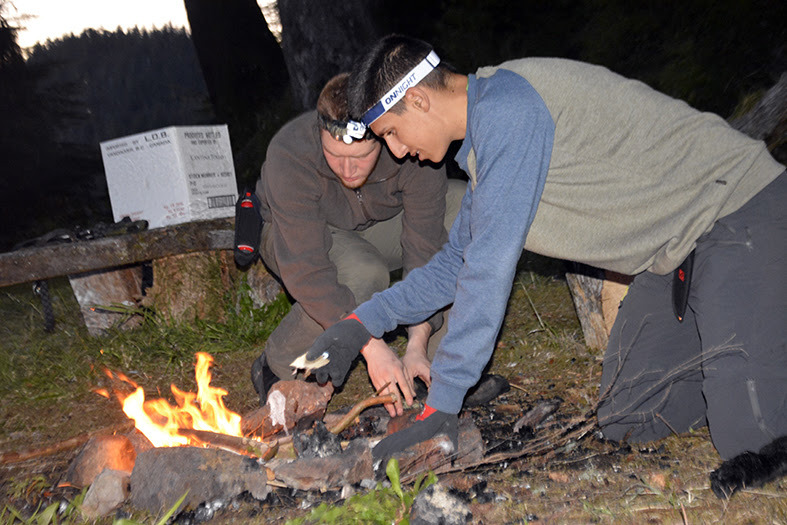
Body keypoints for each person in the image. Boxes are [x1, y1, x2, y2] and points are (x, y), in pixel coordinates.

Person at [302, 34, 786, 474]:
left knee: (753, 440)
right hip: (677, 259)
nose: (397, 150)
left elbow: (488, 270)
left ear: (418, 100)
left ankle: (756, 342)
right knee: (630, 416)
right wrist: (361, 323)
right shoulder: (487, 140)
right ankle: (751, 334)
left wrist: (442, 405)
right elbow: (455, 265)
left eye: (390, 132)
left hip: (740, 212)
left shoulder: (510, 110)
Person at [251, 72, 467, 417]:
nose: (348, 170)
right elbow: (307, 269)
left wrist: (417, 341)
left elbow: (424, 249)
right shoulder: (290, 153)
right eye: (334, 155)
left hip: (377, 225)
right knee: (364, 273)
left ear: (383, 136)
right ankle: (283, 365)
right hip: (298, 233)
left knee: (462, 209)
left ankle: (437, 368)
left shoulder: (406, 139)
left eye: (362, 156)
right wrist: (370, 345)